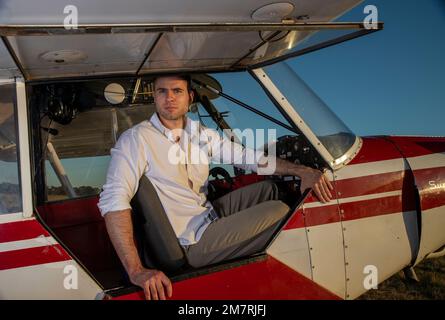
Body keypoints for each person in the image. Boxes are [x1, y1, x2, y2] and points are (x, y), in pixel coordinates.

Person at [98, 74, 333, 300]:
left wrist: (302, 170)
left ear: (189, 97)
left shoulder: (199, 133)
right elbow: (113, 200)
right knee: (282, 211)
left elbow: (245, 156)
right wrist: (136, 271)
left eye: (177, 91)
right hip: (191, 240)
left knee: (270, 189)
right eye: (162, 91)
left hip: (207, 214)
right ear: (155, 97)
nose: (169, 97)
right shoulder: (136, 139)